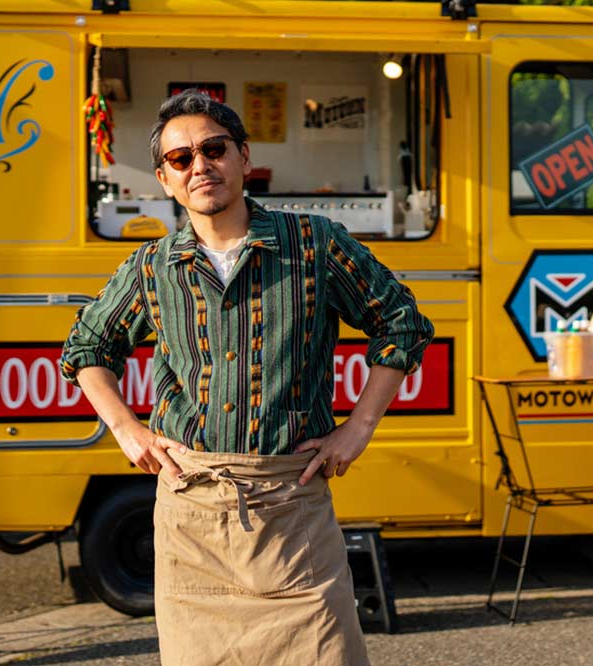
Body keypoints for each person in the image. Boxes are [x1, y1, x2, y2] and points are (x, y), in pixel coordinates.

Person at [60, 90, 433, 666]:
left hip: (293, 510)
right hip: (191, 515)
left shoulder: (314, 244)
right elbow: (89, 345)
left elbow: (401, 324)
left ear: (242, 156)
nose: (200, 165)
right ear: (164, 178)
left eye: (214, 149)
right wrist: (126, 429)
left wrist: (358, 428)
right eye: (181, 159)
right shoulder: (150, 267)